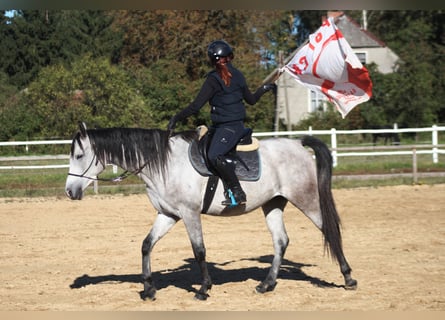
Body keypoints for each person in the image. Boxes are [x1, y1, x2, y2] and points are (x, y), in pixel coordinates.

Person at [167, 40, 275, 206]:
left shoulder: (213, 79)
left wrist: (176, 118)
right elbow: (252, 100)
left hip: (230, 128)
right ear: (230, 57)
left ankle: (237, 192)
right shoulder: (238, 75)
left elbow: (196, 106)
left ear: (212, 59)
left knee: (214, 155)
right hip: (223, 127)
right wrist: (264, 89)